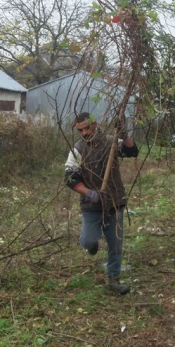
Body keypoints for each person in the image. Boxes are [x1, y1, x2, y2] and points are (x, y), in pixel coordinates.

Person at [64, 112, 139, 295]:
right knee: (88, 240)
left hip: (114, 201)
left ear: (95, 125)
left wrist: (124, 135)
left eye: (86, 128)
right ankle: (92, 245)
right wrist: (89, 193)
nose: (83, 133)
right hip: (92, 205)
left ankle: (113, 279)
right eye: (80, 130)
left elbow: (132, 151)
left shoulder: (111, 143)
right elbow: (70, 178)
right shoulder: (77, 150)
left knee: (115, 245)